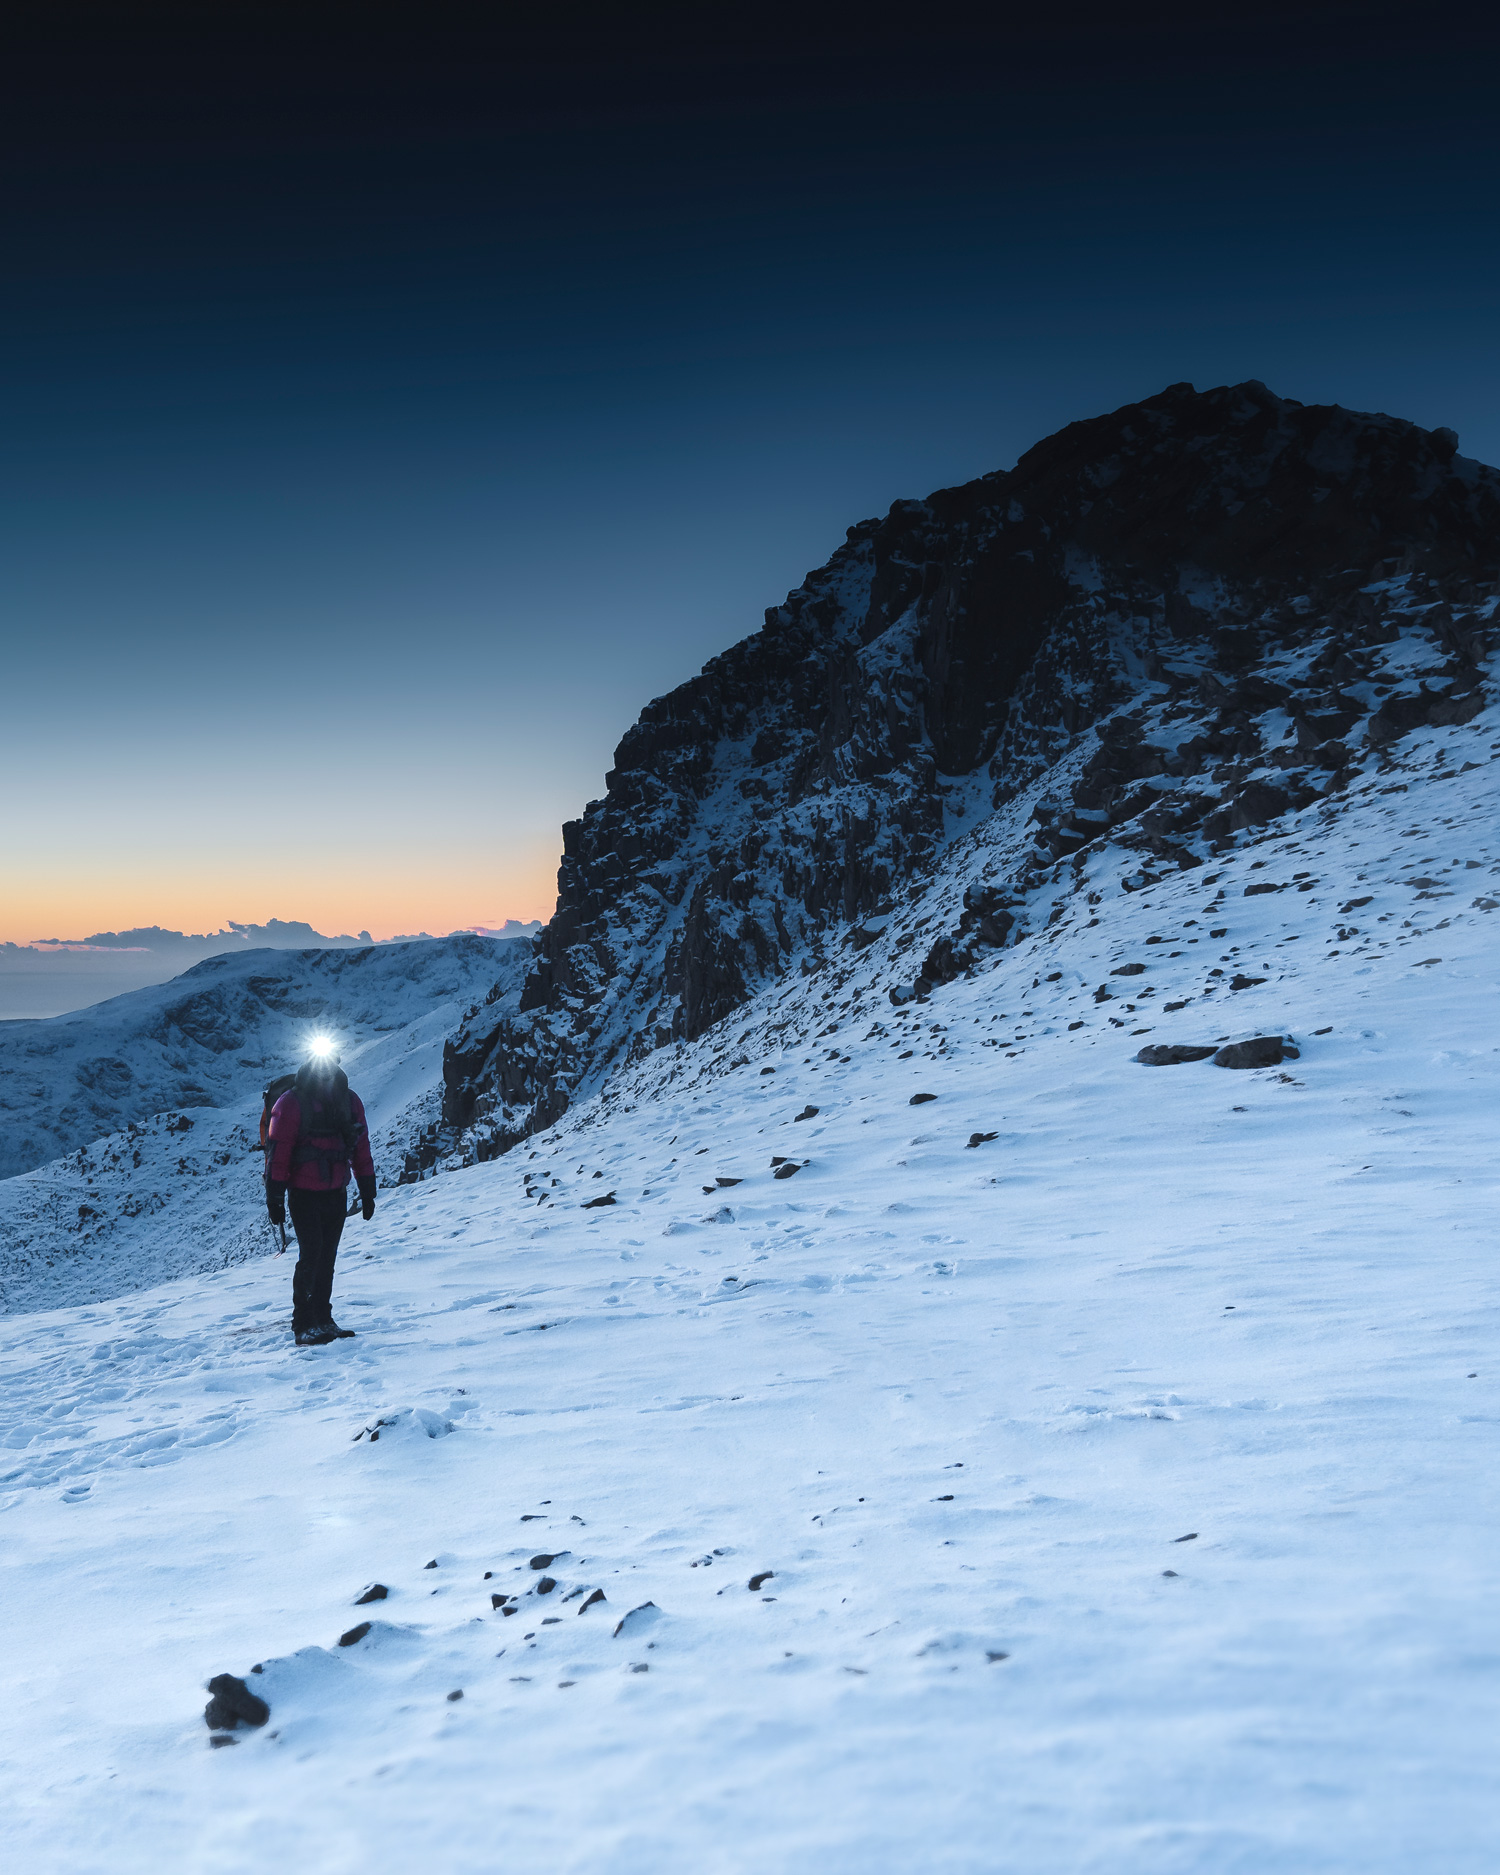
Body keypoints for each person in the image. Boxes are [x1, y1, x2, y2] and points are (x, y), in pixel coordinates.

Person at [265, 1045, 376, 1345]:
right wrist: (274, 1197)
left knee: (326, 1257)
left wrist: (368, 1190)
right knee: (311, 1255)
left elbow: (360, 1146)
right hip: (304, 1194)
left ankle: (324, 1319)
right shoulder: (291, 1103)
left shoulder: (349, 1101)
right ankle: (304, 1323)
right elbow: (279, 1152)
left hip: (335, 1192)